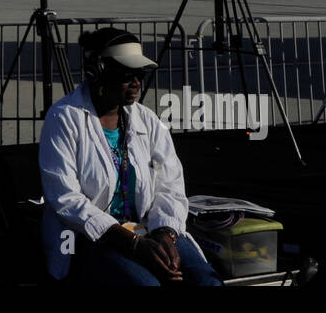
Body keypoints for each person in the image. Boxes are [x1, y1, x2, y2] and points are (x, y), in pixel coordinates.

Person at [39, 27, 221, 286]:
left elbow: (170, 186)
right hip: (91, 238)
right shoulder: (63, 118)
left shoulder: (147, 119)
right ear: (97, 72)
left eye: (140, 74)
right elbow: (65, 198)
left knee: (207, 281)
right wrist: (135, 245)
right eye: (127, 74)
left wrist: (165, 235)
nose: (137, 81)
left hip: (148, 230)